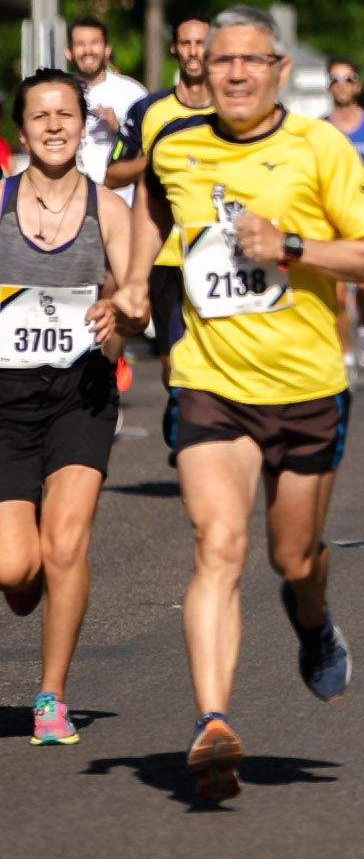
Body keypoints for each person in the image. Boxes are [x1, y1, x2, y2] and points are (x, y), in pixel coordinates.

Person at [114, 7, 364, 801]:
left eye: (250, 61)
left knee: (291, 557)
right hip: (210, 381)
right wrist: (136, 278)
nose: (233, 73)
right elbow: (155, 206)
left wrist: (293, 248)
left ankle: (313, 619)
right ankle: (212, 722)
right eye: (221, 61)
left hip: (306, 388)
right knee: (218, 543)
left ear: (277, 69)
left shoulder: (321, 148)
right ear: (204, 71)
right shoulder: (176, 143)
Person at [0, 70, 134, 746]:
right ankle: (25, 586)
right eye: (40, 116)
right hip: (5, 397)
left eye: (65, 115)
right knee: (15, 570)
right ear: (21, 130)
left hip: (80, 392)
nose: (53, 126)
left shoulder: (108, 209)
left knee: (67, 541)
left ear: (84, 125)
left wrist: (121, 316)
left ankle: (51, 696)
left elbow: (137, 295)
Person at [108, 13, 214, 461]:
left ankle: (204, 438)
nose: (193, 52)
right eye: (185, 43)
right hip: (167, 256)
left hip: (218, 255)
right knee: (175, 363)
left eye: (201, 43)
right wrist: (151, 161)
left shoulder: (233, 108)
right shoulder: (150, 110)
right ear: (175, 49)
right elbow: (114, 173)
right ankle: (181, 407)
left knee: (212, 357)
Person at [324, 59, 364, 378]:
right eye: (335, 79)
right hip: (332, 216)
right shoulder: (321, 128)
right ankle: (345, 355)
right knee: (337, 290)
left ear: (358, 86)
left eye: (348, 79)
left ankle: (362, 327)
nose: (341, 85)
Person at [66, 15, 146, 200]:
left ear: (107, 49)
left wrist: (119, 128)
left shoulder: (133, 93)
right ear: (68, 52)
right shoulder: (60, 92)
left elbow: (148, 152)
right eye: (80, 44)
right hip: (70, 203)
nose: (87, 51)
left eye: (94, 43)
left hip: (119, 200)